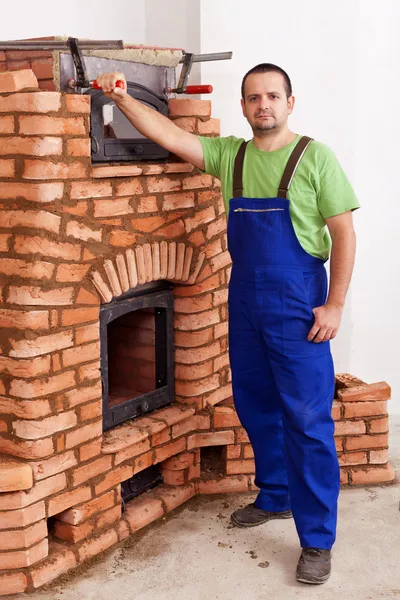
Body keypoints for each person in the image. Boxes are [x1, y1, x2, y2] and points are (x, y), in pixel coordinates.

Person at [96, 63, 359, 585]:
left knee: (307, 421)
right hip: (246, 301)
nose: (263, 105)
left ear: (289, 102)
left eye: (272, 96)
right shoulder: (230, 156)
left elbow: (344, 235)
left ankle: (317, 539)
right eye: (253, 97)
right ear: (242, 107)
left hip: (300, 303)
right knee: (254, 403)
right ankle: (277, 494)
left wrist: (335, 306)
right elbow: (169, 134)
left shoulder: (315, 158)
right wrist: (124, 100)